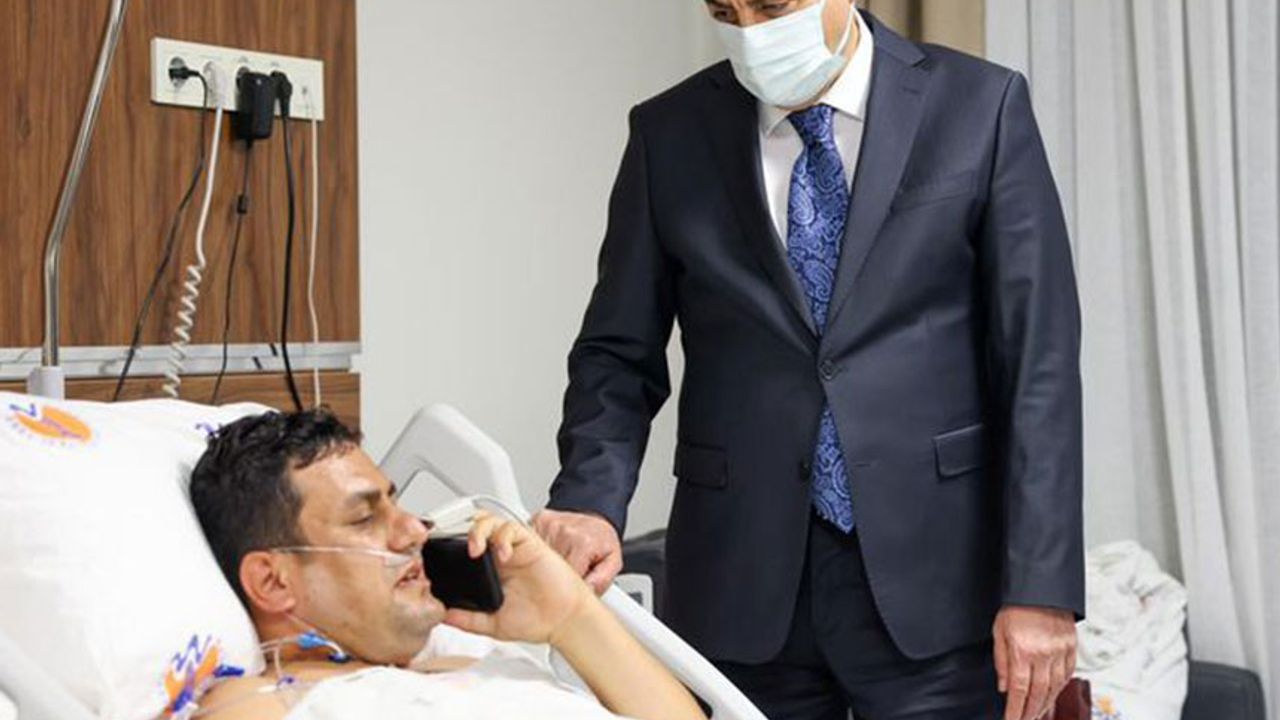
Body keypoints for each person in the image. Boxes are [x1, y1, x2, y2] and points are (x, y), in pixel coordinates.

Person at [535, 1, 1083, 719]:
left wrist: (1041, 585)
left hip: (939, 584)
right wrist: (588, 499)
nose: (751, 31)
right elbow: (616, 354)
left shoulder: (980, 107)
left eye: (773, 5)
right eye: (726, 9)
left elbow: (1039, 364)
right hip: (739, 583)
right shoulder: (668, 132)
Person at [186, 409, 706, 720]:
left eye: (396, 504)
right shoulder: (265, 704)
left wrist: (571, 617)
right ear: (272, 581)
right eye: (365, 518)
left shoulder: (471, 660)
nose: (414, 530)